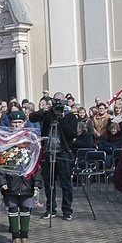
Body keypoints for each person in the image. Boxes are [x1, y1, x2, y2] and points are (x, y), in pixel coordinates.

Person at [0, 111, 42, 243]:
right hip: (10, 181)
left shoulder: (30, 139)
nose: (16, 125)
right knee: (13, 208)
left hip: (27, 181)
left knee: (26, 207)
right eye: (14, 123)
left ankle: (25, 236)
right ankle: (15, 237)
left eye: (19, 123)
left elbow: (36, 163)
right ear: (9, 124)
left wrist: (37, 182)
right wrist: (1, 181)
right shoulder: (4, 140)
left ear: (23, 123)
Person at [29, 92, 78, 220]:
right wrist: (43, 111)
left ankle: (67, 210)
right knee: (48, 183)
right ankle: (50, 209)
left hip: (63, 153)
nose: (58, 104)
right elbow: (32, 118)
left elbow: (72, 134)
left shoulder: (70, 116)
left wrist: (61, 120)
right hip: (48, 152)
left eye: (60, 101)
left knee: (66, 183)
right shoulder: (49, 114)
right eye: (56, 101)